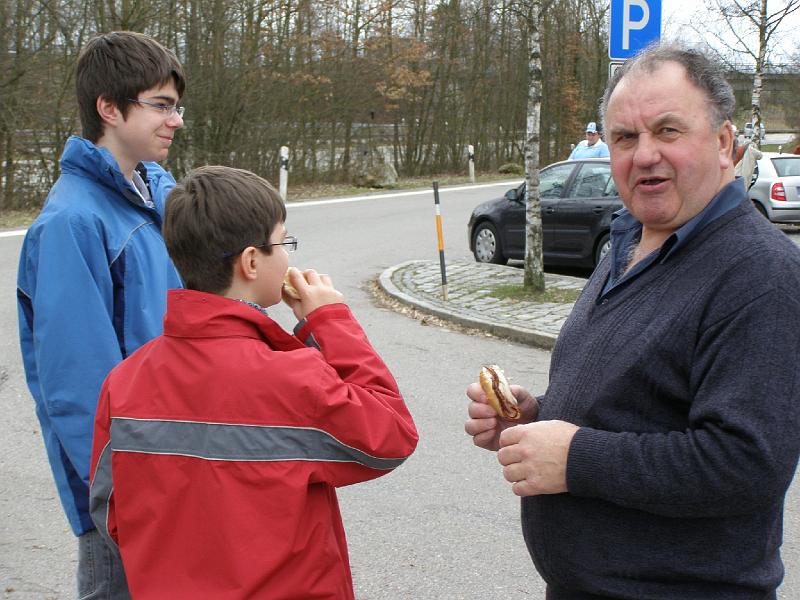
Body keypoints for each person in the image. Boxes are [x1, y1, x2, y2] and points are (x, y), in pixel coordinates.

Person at [465, 44, 800, 599]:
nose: (644, 155)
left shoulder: (760, 273)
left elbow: (746, 464)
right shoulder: (629, 241)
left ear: (723, 143)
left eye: (667, 130)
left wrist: (575, 458)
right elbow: (639, 406)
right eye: (625, 137)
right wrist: (536, 417)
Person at [88, 165, 419, 599]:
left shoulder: (124, 381)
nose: (288, 257)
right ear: (250, 261)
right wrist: (330, 321)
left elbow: (109, 508)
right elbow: (392, 434)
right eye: (283, 243)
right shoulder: (291, 377)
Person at [16, 31, 185, 598]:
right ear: (109, 109)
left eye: (176, 106)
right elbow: (78, 384)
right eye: (161, 105)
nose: (176, 120)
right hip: (125, 495)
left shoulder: (156, 196)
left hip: (175, 466)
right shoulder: (72, 223)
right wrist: (122, 497)